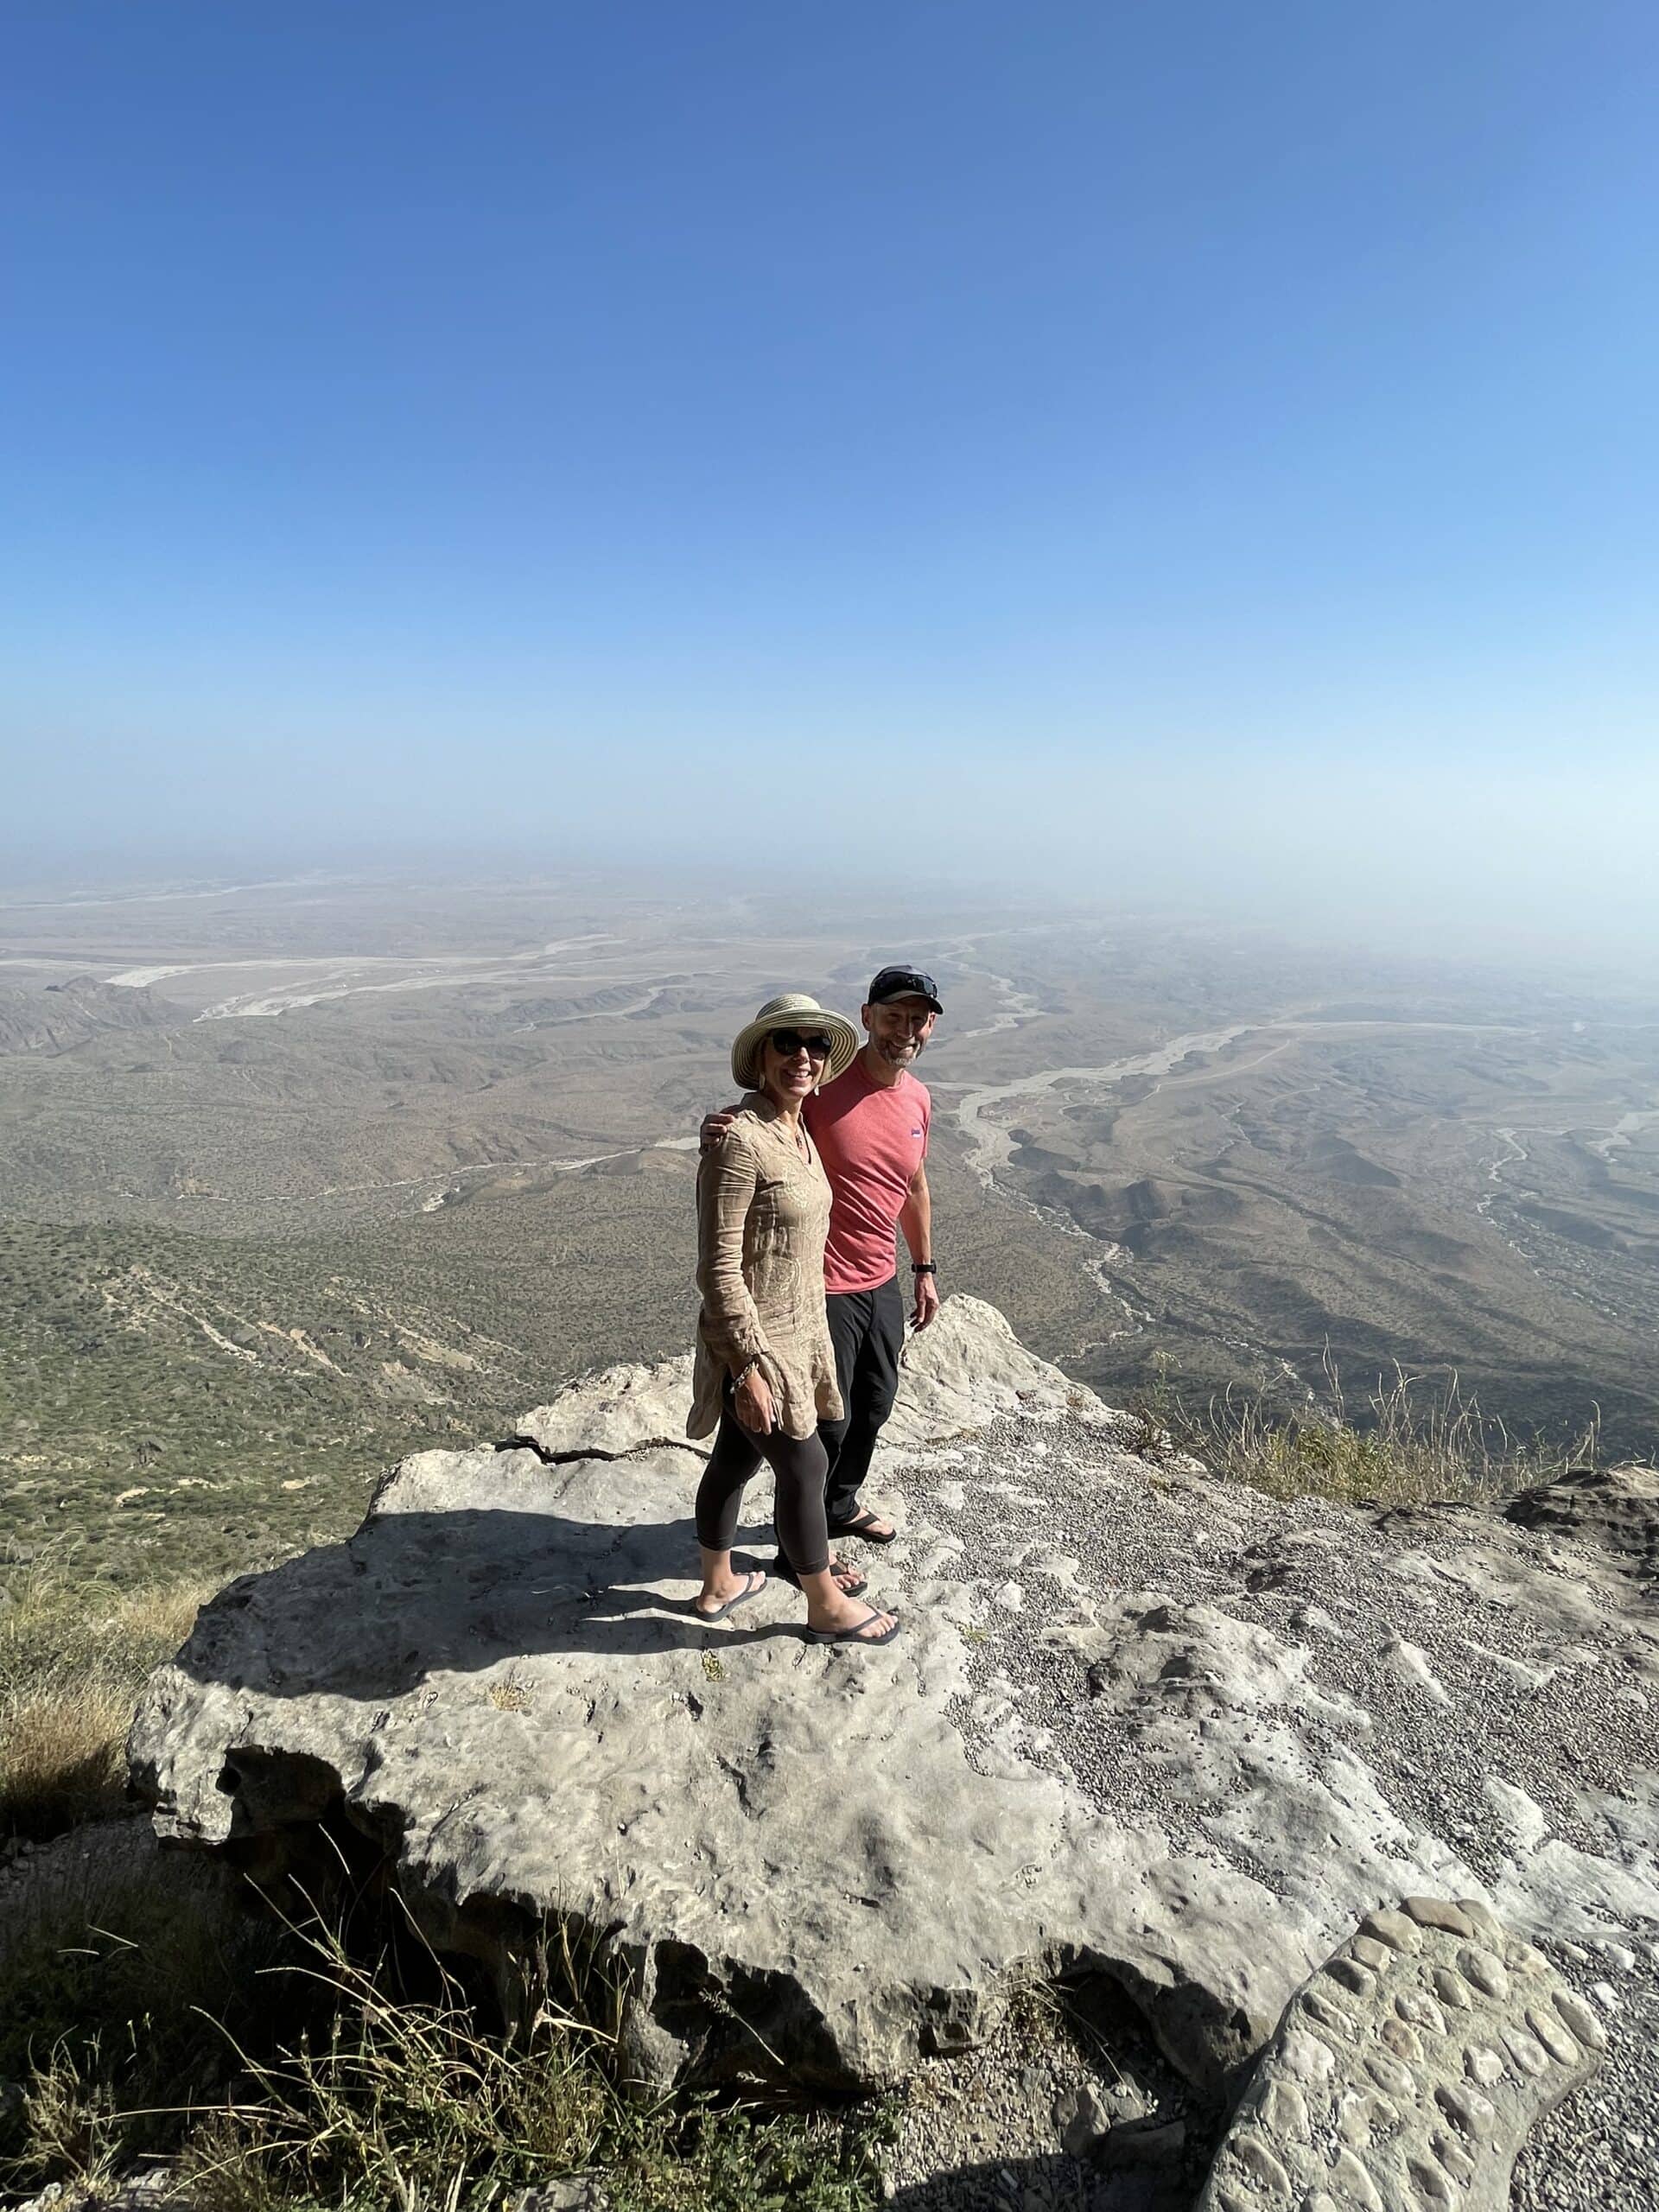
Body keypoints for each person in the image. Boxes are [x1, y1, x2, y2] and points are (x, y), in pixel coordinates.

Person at [702, 963, 943, 1553]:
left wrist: (924, 1269)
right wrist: (721, 1128)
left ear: (930, 1027)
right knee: (821, 1423)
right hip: (819, 1285)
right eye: (893, 1017)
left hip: (880, 1275)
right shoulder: (826, 1083)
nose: (905, 1030)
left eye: (918, 1020)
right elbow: (768, 1115)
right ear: (867, 1018)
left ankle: (839, 1506)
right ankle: (801, 1550)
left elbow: (913, 1185)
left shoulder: (917, 1098)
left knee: (876, 1402)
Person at [687, 993, 901, 1647]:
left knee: (736, 1455)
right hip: (756, 1340)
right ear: (759, 1056)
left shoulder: (796, 1128)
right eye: (787, 1043)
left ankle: (718, 1581)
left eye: (814, 1045)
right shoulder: (741, 1143)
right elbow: (718, 1268)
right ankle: (823, 1602)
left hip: (802, 1329)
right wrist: (746, 1363)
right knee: (805, 1466)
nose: (803, 1057)